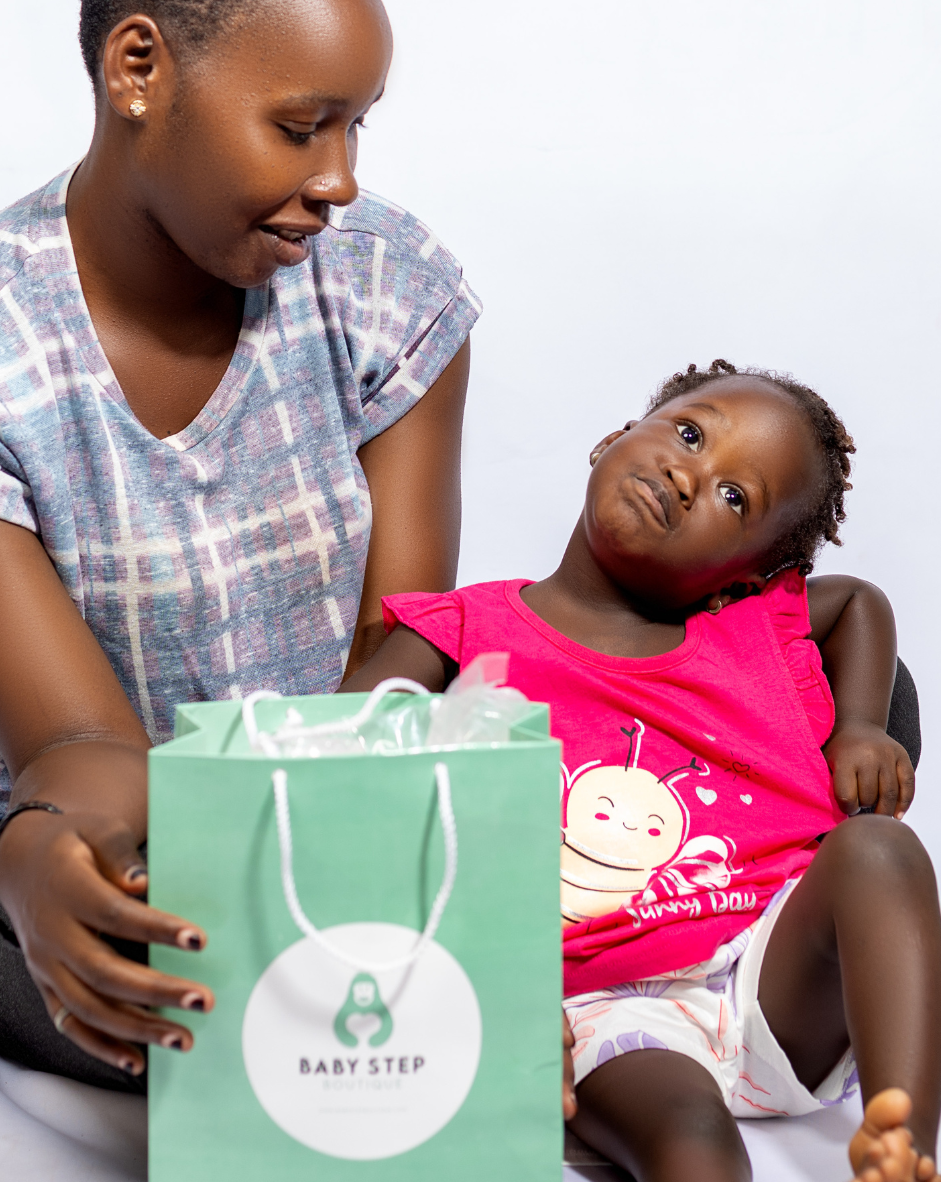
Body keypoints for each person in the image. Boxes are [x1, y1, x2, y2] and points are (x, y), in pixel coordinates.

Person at [0, 0, 479, 1091]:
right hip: (64, 843)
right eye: (301, 126)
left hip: (336, 791)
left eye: (359, 124)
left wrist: (368, 852)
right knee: (191, 961)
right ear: (137, 70)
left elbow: (396, 657)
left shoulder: (385, 283)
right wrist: (44, 853)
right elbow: (82, 743)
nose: (341, 178)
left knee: (836, 694)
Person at [344, 360, 940, 1182]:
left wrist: (864, 727)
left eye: (737, 499)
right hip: (603, 1000)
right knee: (693, 1146)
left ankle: (901, 1139)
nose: (691, 476)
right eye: (690, 435)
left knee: (881, 849)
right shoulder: (465, 628)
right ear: (612, 441)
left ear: (751, 576)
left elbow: (858, 601)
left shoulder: (752, 634)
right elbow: (335, 746)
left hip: (773, 975)